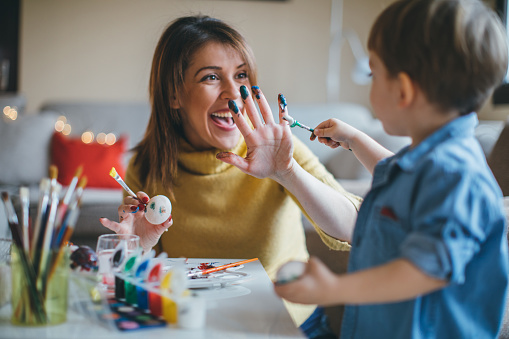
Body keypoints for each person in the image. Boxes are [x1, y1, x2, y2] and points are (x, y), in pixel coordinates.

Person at [217, 0, 509, 338]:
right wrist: (355, 139)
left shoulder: (454, 176)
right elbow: (395, 171)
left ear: (403, 91)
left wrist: (335, 289)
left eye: (374, 73)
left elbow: (422, 272)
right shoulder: (434, 162)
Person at [99, 15, 361, 337]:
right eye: (211, 77)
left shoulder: (276, 149)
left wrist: (287, 172)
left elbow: (354, 228)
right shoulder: (147, 165)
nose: (233, 92)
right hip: (199, 328)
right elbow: (138, 293)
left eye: (241, 76)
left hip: (290, 325)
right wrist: (136, 249)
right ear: (174, 95)